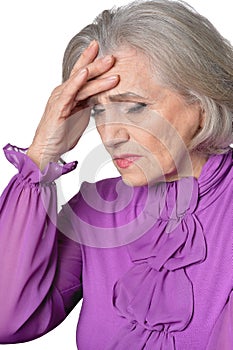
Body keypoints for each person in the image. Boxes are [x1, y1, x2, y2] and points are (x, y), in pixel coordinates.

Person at [0, 0, 232, 349]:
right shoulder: (98, 208)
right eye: (98, 112)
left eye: (135, 107)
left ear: (201, 101)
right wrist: (41, 157)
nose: (110, 135)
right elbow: (7, 320)